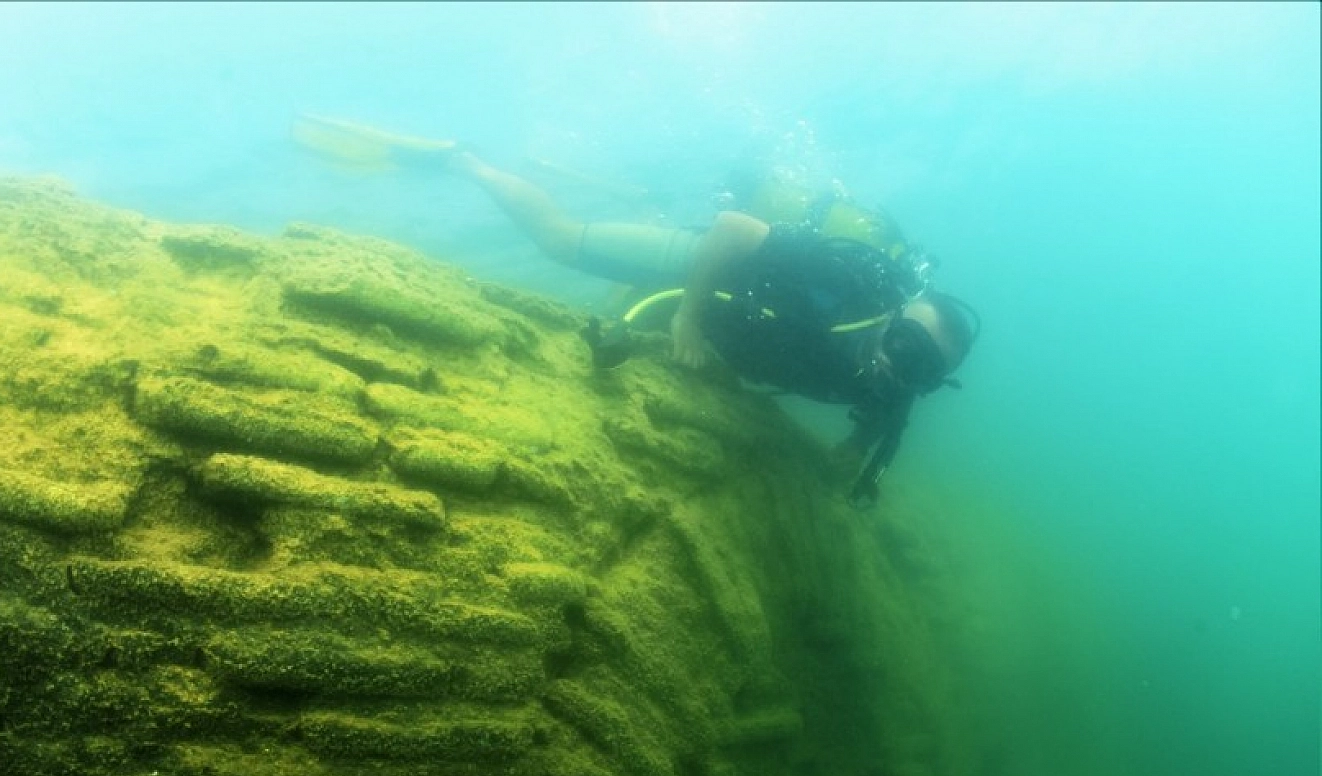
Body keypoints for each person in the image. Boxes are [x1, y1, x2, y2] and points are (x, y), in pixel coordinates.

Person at [293, 115, 981, 506]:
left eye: (922, 371)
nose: (899, 369)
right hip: (711, 264)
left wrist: (847, 463)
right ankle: (463, 160)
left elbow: (861, 444)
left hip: (732, 323)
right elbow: (734, 229)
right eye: (905, 346)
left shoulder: (891, 393)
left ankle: (638, 206)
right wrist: (686, 317)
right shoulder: (848, 279)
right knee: (561, 241)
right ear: (894, 316)